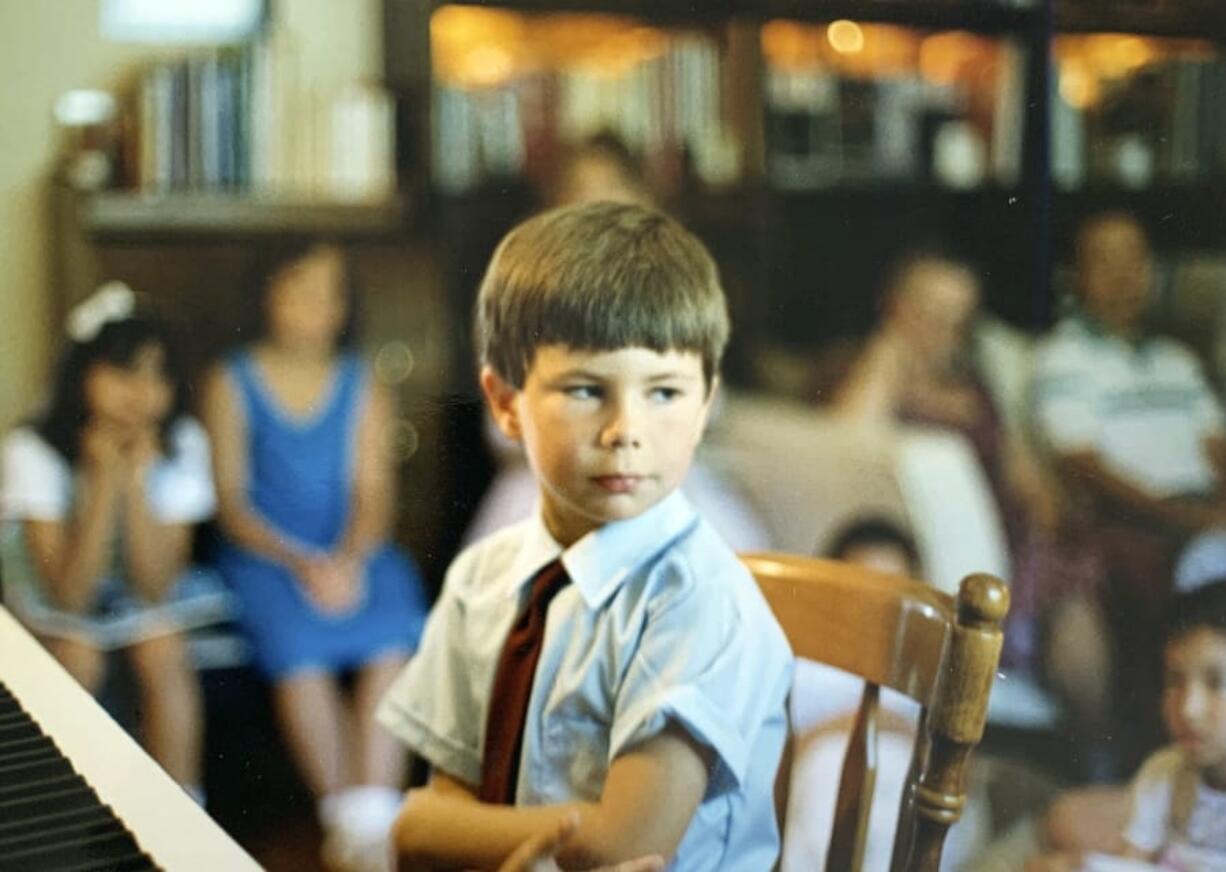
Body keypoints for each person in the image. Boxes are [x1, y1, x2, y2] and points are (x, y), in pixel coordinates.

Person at [377, 201, 793, 871]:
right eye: (586, 390)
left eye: (663, 392)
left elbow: (624, 847)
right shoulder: (482, 579)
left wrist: (437, 826)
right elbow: (422, 829)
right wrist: (431, 826)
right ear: (506, 403)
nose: (625, 430)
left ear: (706, 404)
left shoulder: (697, 604)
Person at [833, 248, 1111, 770]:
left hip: (1013, 534)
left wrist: (1048, 514)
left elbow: (1018, 467)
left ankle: (1088, 758)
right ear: (895, 307)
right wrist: (892, 350)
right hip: (943, 543)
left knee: (1076, 595)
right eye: (928, 312)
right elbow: (844, 443)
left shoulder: (972, 377)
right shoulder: (880, 368)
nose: (943, 330)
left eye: (957, 318)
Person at [201, 240, 429, 870]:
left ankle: (370, 822)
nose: (316, 305)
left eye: (331, 292)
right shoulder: (231, 379)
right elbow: (233, 505)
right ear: (267, 294)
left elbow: (372, 495)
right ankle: (342, 814)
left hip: (353, 550)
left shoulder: (362, 381)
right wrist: (303, 563)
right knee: (297, 648)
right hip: (264, 555)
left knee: (390, 633)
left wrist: (348, 560)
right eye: (300, 288)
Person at [0, 282, 228, 803]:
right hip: (51, 595)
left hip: (137, 595)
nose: (142, 391)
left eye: (158, 374)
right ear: (84, 374)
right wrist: (102, 484)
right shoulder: (31, 450)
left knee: (163, 648)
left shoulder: (182, 443)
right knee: (78, 657)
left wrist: (134, 483)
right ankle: (76, 817)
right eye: (126, 371)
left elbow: (154, 588)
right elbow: (70, 595)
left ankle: (181, 815)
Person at [1032, 211, 1226, 770]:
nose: (1123, 276)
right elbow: (1083, 468)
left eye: (1134, 261)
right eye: (1105, 262)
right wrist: (1187, 518)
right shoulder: (1063, 358)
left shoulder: (1177, 362)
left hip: (1198, 515)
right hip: (1134, 522)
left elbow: (1217, 451)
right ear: (1078, 276)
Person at [1025, 579, 1226, 871]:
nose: (1189, 709)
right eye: (1175, 681)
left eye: (1217, 683)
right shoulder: (1166, 772)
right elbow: (1131, 861)